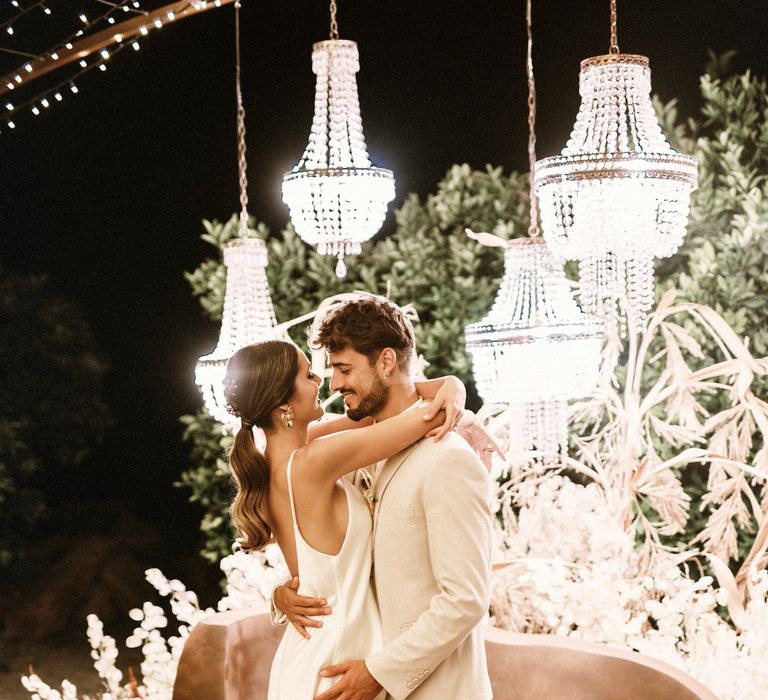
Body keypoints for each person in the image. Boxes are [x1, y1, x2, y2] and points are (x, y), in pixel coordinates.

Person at [275, 296, 494, 700]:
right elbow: (333, 556)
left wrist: (379, 671)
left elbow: (465, 599)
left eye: (344, 369)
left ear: (387, 361)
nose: (335, 385)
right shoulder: (355, 453)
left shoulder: (449, 460)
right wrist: (281, 594)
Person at [223, 338, 467, 700]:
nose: (322, 380)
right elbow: (421, 415)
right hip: (337, 660)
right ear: (283, 404)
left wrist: (452, 387)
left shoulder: (275, 460)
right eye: (308, 375)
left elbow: (380, 408)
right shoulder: (315, 461)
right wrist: (454, 390)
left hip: (312, 655)